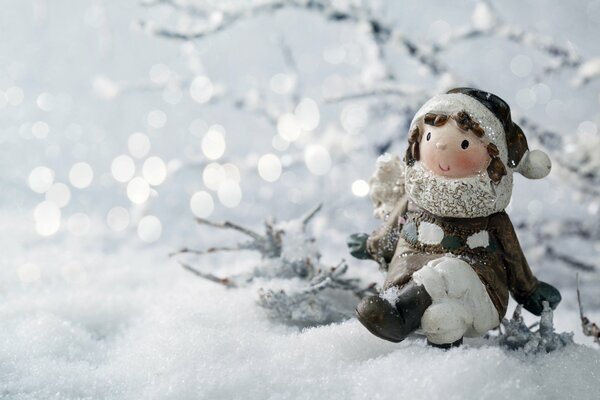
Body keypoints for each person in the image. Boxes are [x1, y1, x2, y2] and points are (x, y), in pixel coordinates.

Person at [348, 88, 561, 348]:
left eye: (464, 144)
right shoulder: (414, 200)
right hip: (406, 281)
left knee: (452, 268)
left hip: (480, 294)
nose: (440, 147)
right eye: (429, 136)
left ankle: (401, 314)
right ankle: (446, 360)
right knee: (441, 318)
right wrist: (372, 246)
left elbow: (513, 258)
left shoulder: (491, 219)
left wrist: (530, 291)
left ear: (494, 158)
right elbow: (391, 231)